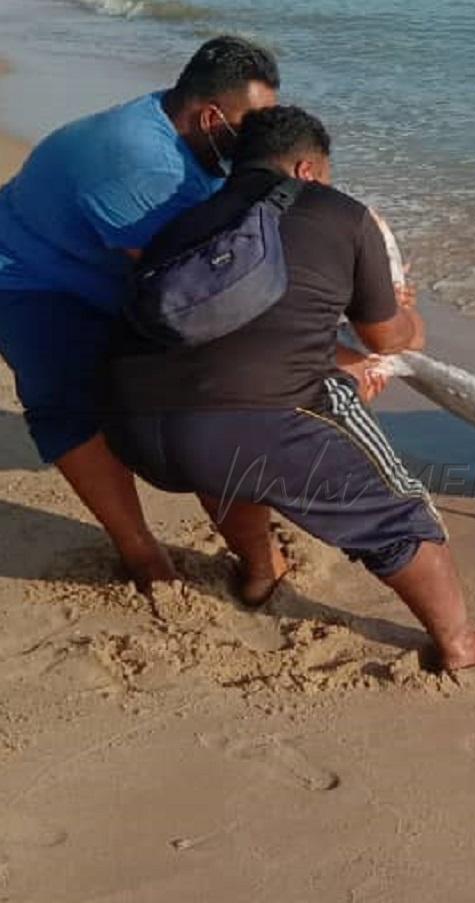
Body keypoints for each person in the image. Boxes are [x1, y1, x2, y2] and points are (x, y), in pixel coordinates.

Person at [104, 105, 475, 671]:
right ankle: (460, 643)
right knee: (399, 508)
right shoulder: (344, 216)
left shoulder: (184, 221)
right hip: (243, 428)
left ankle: (259, 572)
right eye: (324, 173)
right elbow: (388, 340)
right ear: (306, 170)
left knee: (228, 449)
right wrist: (409, 318)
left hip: (134, 429)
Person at [0, 36, 280, 590]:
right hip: (26, 274)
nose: (260, 137)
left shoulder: (188, 129)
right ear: (210, 115)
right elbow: (190, 287)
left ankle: (256, 551)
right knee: (66, 405)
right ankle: (140, 552)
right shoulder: (143, 166)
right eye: (254, 124)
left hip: (97, 261)